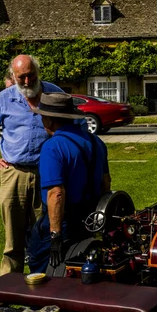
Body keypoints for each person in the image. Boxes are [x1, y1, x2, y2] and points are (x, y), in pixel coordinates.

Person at [0, 55, 64, 275]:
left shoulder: (54, 94)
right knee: (13, 238)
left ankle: (45, 284)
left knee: (45, 231)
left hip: (47, 174)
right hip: (14, 174)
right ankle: (7, 289)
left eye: (32, 75)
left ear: (38, 72)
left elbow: (75, 124)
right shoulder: (4, 99)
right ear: (13, 76)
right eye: (22, 77)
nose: (28, 81)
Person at [27, 93, 111, 274]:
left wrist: (55, 236)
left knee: (42, 269)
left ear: (49, 119)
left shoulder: (53, 146)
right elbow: (106, 182)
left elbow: (56, 193)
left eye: (42, 117)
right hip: (89, 218)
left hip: (64, 220)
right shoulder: (97, 142)